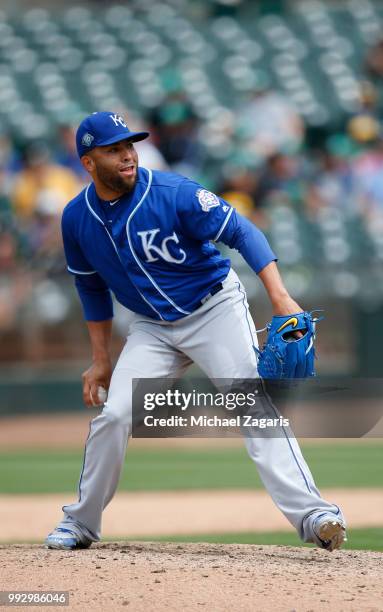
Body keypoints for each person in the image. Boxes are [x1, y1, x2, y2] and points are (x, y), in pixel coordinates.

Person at [45, 112, 346, 552]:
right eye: (114, 150)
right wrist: (102, 359)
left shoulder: (173, 192)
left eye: (129, 146)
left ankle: (316, 514)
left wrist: (280, 297)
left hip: (214, 310)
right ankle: (81, 523)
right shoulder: (76, 218)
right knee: (114, 416)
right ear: (89, 163)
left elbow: (242, 231)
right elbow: (90, 286)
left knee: (253, 405)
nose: (127, 155)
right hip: (150, 327)